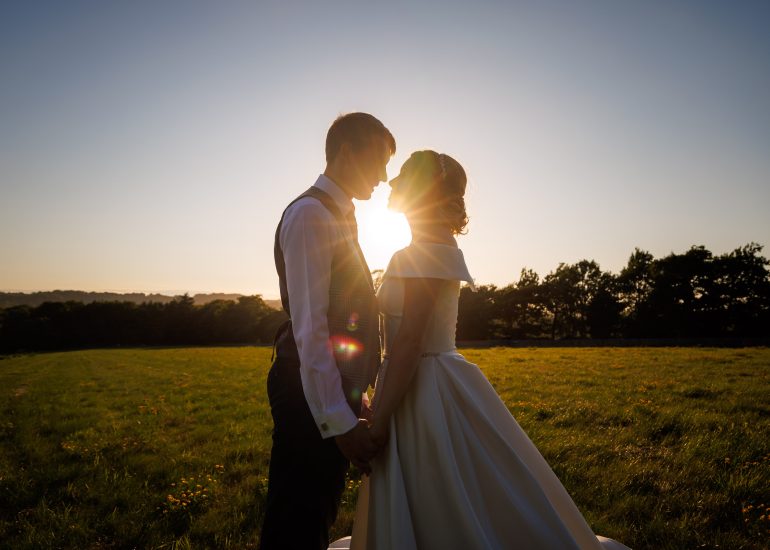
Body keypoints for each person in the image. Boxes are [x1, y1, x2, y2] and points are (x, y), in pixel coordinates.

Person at [331, 151, 630, 550]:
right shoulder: (423, 246)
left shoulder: (425, 251)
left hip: (421, 385)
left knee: (438, 488)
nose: (393, 182)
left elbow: (409, 342)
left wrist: (380, 421)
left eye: (403, 176)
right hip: (417, 379)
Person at [259, 113, 395, 550]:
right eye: (378, 159)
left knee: (316, 513)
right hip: (306, 393)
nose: (383, 176)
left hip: (330, 391)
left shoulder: (339, 214)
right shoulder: (310, 214)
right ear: (346, 150)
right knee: (296, 521)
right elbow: (311, 328)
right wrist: (338, 420)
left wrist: (357, 395)